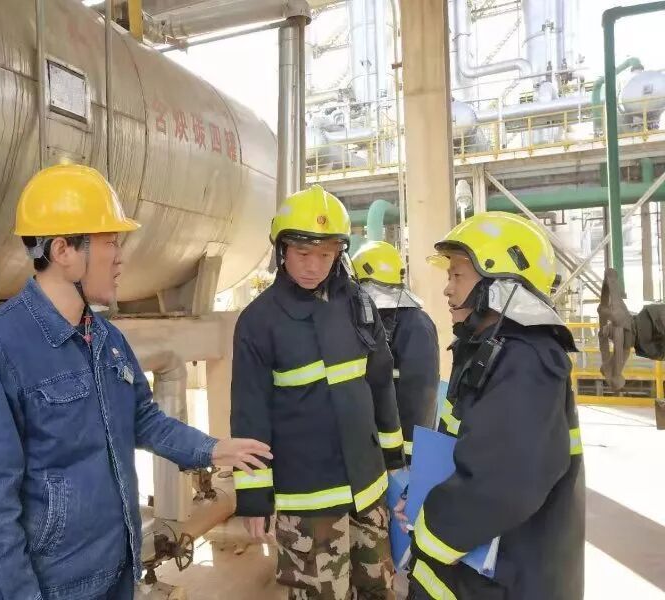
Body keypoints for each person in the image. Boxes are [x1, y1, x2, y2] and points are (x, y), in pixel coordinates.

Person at [0, 164, 271, 599]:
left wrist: (211, 449)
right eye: (109, 242)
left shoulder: (105, 338)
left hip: (117, 572)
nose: (120, 257)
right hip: (54, 588)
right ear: (63, 250)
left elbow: (143, 419)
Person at [230, 184, 405, 600]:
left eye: (326, 255)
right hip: (307, 501)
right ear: (282, 250)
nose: (313, 266)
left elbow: (381, 383)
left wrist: (395, 462)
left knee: (379, 590)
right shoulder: (258, 321)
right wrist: (254, 496)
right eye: (303, 253)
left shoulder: (359, 305)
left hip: (367, 491)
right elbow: (250, 413)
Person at [398, 211, 585, 600]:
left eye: (457, 275)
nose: (447, 289)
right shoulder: (488, 349)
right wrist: (420, 494)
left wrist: (431, 528)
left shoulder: (528, 359)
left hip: (504, 580)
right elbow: (463, 447)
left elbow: (502, 481)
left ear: (500, 287)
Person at [351, 241, 440, 461]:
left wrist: (405, 458)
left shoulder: (416, 325)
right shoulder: (370, 319)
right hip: (376, 449)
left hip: (401, 456)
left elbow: (420, 399)